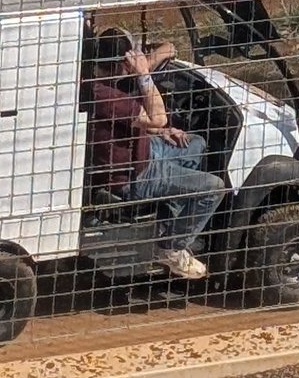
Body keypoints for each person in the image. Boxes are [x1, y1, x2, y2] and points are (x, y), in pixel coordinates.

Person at [86, 28, 225, 280]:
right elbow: (158, 117)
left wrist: (158, 131)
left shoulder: (102, 83)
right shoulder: (104, 95)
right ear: (122, 64)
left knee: (196, 145)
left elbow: (167, 48)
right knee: (214, 187)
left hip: (144, 150)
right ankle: (171, 247)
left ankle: (171, 218)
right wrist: (144, 74)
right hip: (133, 176)